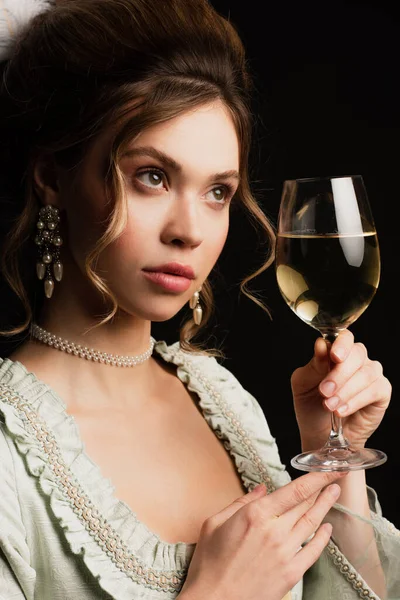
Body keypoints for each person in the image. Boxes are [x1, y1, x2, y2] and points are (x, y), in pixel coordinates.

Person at [0, 1, 398, 599]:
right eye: (152, 176)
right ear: (53, 177)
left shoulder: (222, 399)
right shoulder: (8, 449)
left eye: (217, 192)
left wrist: (332, 456)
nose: (189, 229)